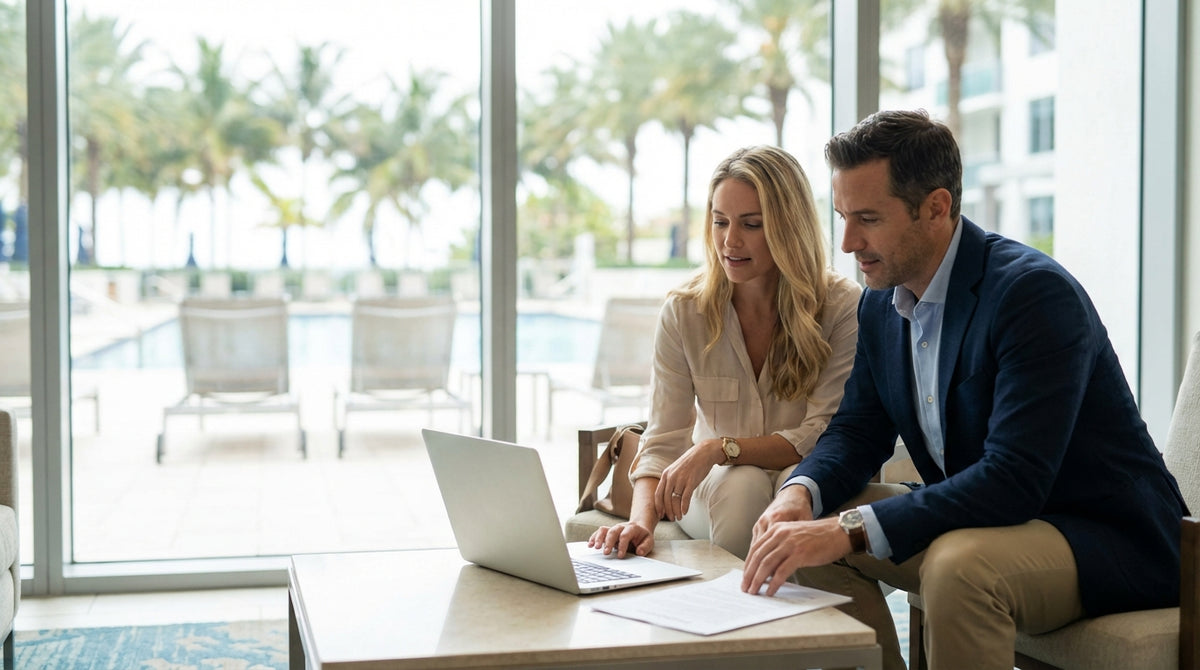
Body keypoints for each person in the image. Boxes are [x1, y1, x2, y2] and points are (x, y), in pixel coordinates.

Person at [740, 109, 1189, 670]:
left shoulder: (1032, 295)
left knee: (960, 566)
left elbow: (1014, 478)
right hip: (993, 524)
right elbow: (857, 430)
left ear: (937, 207)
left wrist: (850, 530)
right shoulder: (882, 302)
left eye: (868, 218)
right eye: (843, 217)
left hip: (1105, 538)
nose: (849, 241)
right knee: (804, 530)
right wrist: (799, 492)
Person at [588, 145, 862, 560]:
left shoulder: (841, 305)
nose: (729, 241)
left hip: (804, 475)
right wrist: (641, 523)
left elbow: (818, 434)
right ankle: (738, 618)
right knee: (743, 484)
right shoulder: (685, 311)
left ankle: (751, 614)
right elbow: (663, 439)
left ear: (789, 227)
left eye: (751, 224)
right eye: (720, 222)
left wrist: (718, 447)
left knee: (787, 482)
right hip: (718, 486)